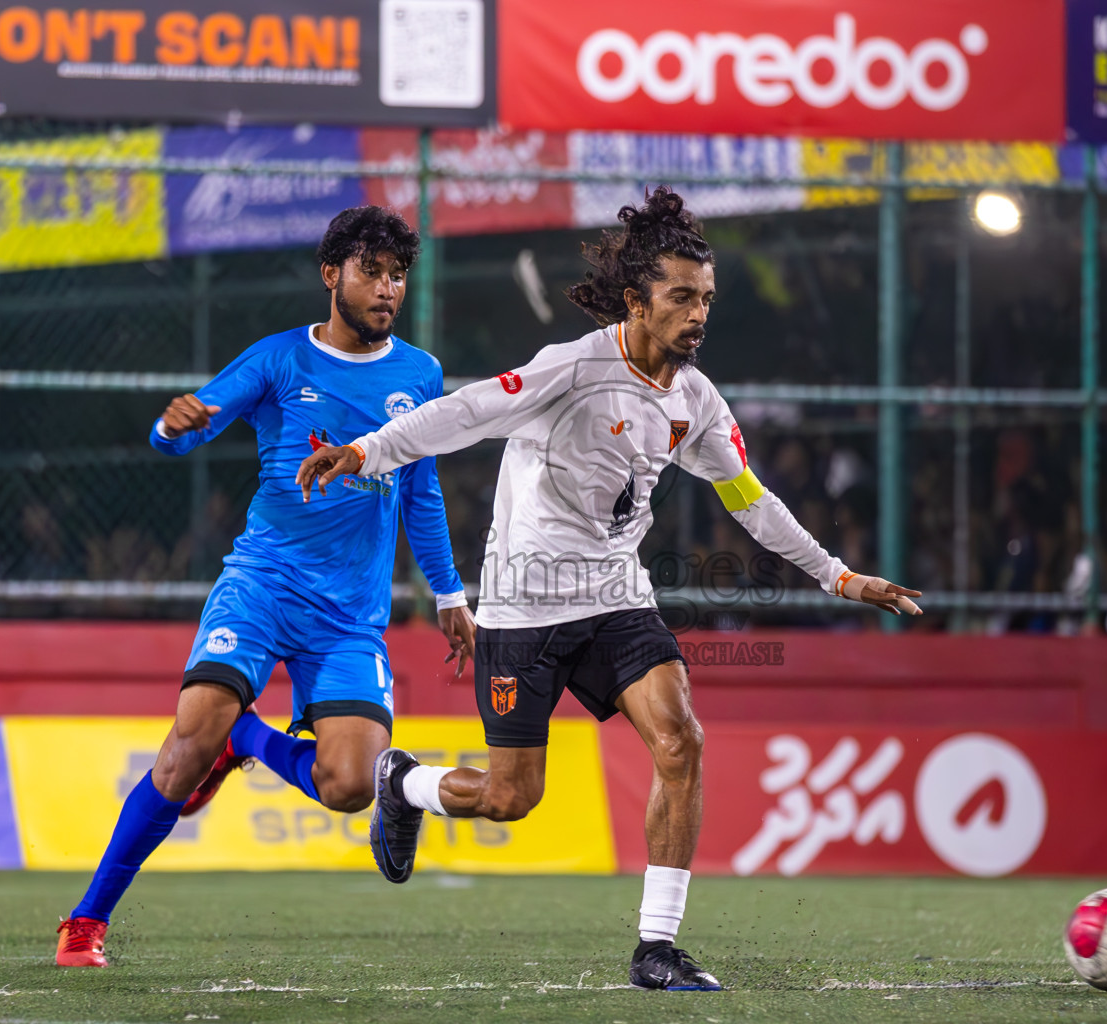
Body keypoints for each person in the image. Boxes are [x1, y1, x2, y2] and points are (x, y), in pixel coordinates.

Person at [295, 187, 921, 991]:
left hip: (618, 599)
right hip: (523, 604)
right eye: (681, 298)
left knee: (681, 740)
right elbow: (465, 413)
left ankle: (656, 949)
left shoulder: (695, 399)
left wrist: (838, 575)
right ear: (637, 300)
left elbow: (749, 500)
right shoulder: (572, 367)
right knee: (511, 799)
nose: (699, 315)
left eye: (706, 299)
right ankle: (404, 783)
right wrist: (366, 451)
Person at [55, 206, 476, 968]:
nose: (387, 288)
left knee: (351, 785)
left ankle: (243, 739)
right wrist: (171, 427)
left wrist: (449, 594)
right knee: (185, 746)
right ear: (331, 275)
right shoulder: (280, 359)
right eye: (371, 271)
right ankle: (85, 922)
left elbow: (422, 491)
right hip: (262, 586)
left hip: (349, 619)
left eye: (397, 274)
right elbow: (192, 426)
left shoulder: (419, 375)